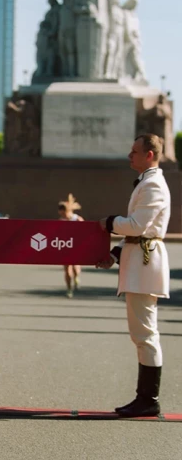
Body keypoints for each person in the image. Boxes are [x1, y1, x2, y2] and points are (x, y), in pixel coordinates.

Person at [97, 134, 170, 418]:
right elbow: (139, 232)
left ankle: (148, 399)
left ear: (150, 155)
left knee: (145, 333)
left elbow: (138, 226)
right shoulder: (148, 182)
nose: (130, 155)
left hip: (145, 265)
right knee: (142, 333)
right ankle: (146, 398)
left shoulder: (152, 184)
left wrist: (109, 223)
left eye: (135, 151)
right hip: (140, 262)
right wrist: (115, 255)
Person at [58, 193, 84, 298]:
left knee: (75, 267)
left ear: (67, 211)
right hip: (66, 246)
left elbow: (85, 232)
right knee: (67, 268)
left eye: (63, 213)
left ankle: (76, 277)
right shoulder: (61, 221)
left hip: (76, 246)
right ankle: (69, 289)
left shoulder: (78, 219)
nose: (62, 215)